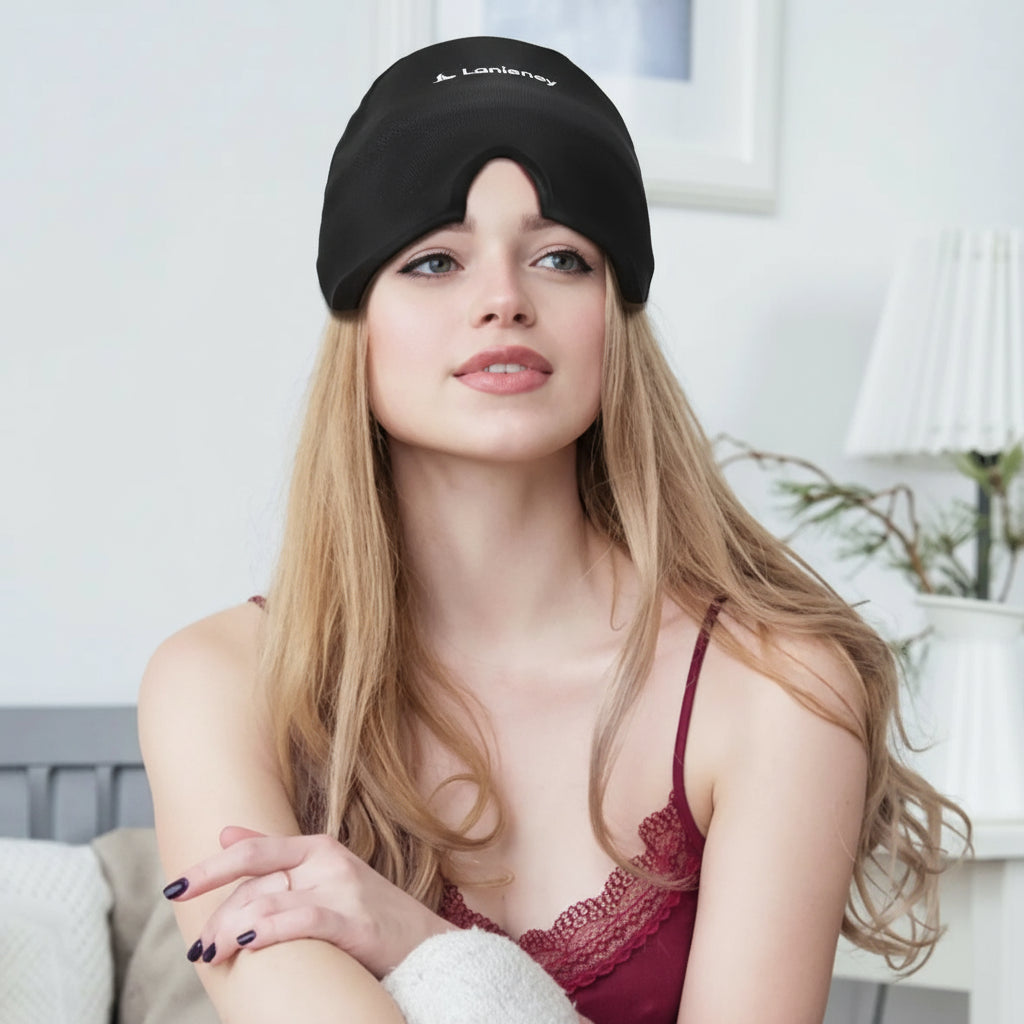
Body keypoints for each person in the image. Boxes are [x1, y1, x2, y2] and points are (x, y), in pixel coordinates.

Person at [139, 36, 966, 1024]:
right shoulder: (217, 682)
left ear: (613, 321)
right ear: (359, 322)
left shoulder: (779, 689)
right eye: (435, 259)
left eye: (561, 256)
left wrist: (426, 948)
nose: (502, 299)